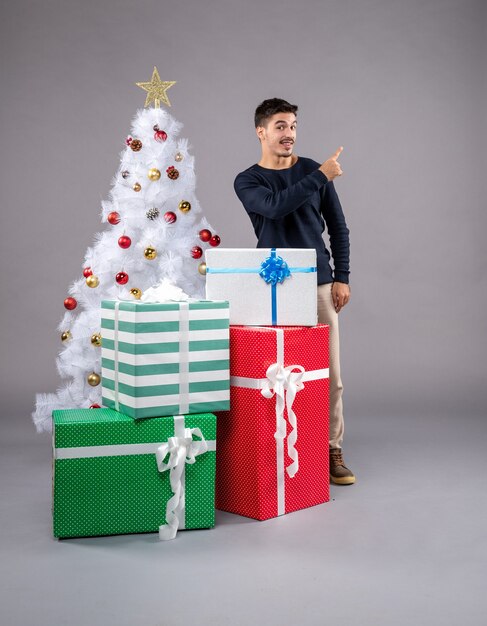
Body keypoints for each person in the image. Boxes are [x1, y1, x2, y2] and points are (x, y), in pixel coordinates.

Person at [234, 98, 355, 485]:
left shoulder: (310, 170)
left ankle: (331, 449)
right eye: (281, 126)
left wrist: (342, 276)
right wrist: (322, 175)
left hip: (317, 282)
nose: (289, 134)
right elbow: (274, 208)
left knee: (330, 375)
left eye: (293, 126)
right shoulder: (248, 180)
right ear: (262, 132)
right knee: (271, 374)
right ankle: (274, 448)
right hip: (269, 286)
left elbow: (338, 228)